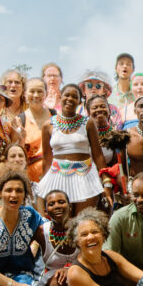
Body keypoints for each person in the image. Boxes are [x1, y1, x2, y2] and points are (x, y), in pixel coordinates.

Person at [39, 84, 107, 213]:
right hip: (58, 177)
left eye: (74, 97)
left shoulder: (88, 123)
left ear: (80, 101)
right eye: (67, 95)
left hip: (86, 177)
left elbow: (98, 155)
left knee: (84, 219)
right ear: (60, 97)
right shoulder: (48, 125)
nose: (70, 99)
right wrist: (45, 184)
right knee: (64, 221)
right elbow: (47, 159)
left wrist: (106, 180)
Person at [38, 189, 79, 286]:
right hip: (54, 278)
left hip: (80, 271)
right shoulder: (41, 232)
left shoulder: (81, 228)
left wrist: (69, 269)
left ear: (70, 206)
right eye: (51, 204)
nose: (57, 206)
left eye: (61, 202)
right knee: (56, 284)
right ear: (46, 211)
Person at [23, 77, 53, 182]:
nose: (36, 95)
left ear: (46, 94)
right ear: (25, 94)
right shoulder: (19, 120)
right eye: (32, 91)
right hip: (29, 179)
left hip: (54, 176)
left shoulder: (55, 117)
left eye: (40, 91)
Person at [0, 143, 31, 209]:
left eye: (21, 156)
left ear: (26, 161)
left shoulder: (35, 188)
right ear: (6, 161)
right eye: (13, 156)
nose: (17, 159)